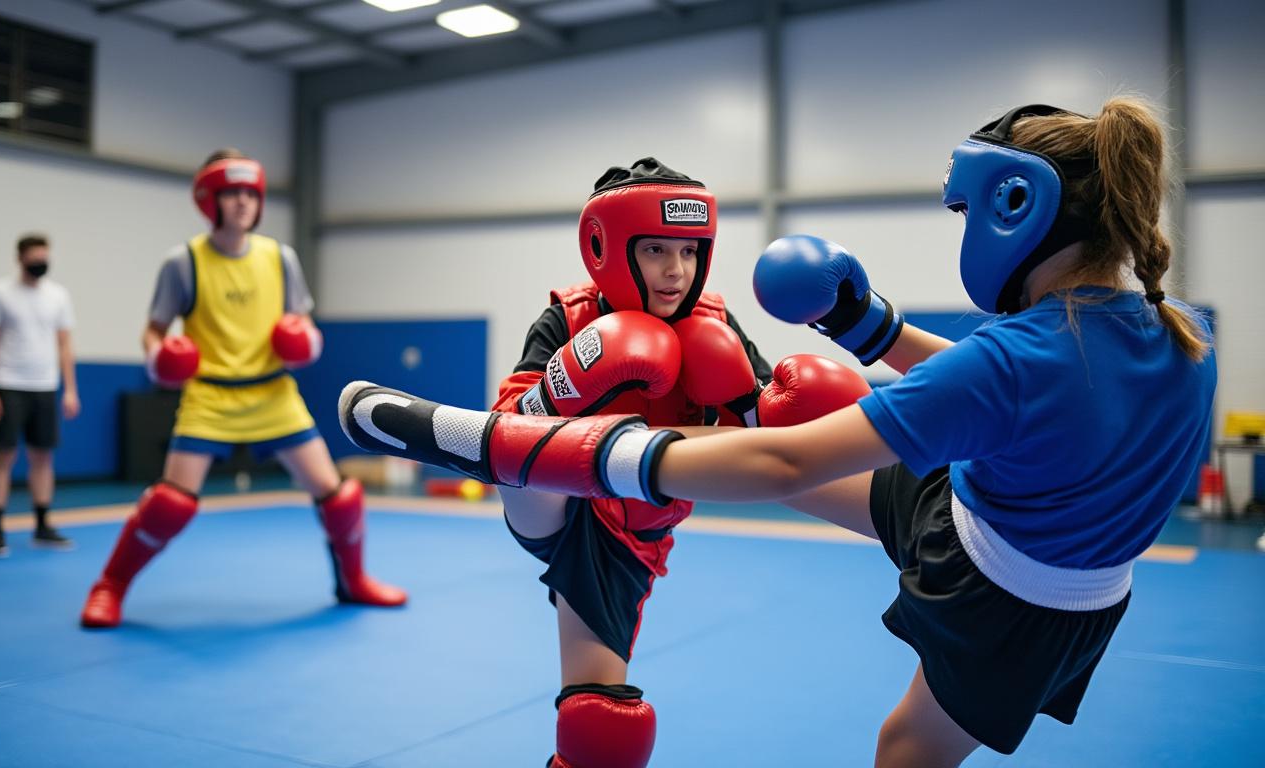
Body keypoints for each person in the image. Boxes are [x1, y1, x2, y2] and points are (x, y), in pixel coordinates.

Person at [337, 99, 1217, 766]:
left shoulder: (1008, 361)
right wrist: (865, 326)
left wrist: (677, 441)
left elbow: (783, 447)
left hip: (993, 578)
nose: (676, 269)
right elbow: (996, 383)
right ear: (609, 249)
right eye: (655, 250)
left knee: (887, 743)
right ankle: (472, 440)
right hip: (576, 501)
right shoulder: (1181, 331)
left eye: (687, 251)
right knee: (599, 638)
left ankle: (491, 446)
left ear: (1014, 207)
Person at [79, 149, 406, 629]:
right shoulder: (184, 261)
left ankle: (354, 580)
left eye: (250, 193)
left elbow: (302, 320)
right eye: (231, 193)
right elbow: (153, 328)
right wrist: (159, 354)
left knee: (338, 494)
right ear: (209, 200)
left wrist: (306, 340)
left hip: (273, 391)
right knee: (170, 502)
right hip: (210, 394)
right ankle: (109, 586)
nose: (242, 203)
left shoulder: (280, 258)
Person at [0, 233, 79, 557]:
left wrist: (70, 389)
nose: (40, 263)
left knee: (43, 456)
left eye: (44, 257)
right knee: (4, 455)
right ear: (20, 258)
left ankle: (42, 526)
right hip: (8, 384)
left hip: (45, 386)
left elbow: (64, 344)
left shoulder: (58, 296)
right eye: (35, 258)